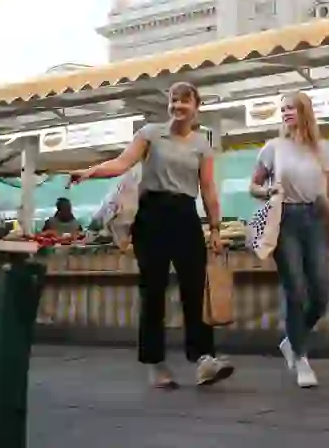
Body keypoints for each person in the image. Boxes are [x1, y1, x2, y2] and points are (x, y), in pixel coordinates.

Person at [71, 82, 234, 389]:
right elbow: (123, 162)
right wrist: (92, 170)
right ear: (168, 104)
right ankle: (155, 363)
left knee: (195, 288)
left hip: (185, 214)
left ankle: (203, 360)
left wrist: (215, 228)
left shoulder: (203, 144)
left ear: (196, 107)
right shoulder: (150, 134)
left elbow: (209, 188)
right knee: (153, 289)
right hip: (152, 214)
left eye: (186, 101)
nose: (179, 106)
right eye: (174, 100)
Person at [249, 91, 329, 388]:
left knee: (321, 293)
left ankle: (291, 340)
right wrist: (268, 192)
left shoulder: (322, 150)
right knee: (296, 290)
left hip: (315, 219)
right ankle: (301, 358)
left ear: (305, 112)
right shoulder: (273, 147)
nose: (286, 113)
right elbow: (253, 186)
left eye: (291, 108)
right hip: (285, 219)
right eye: (283, 109)